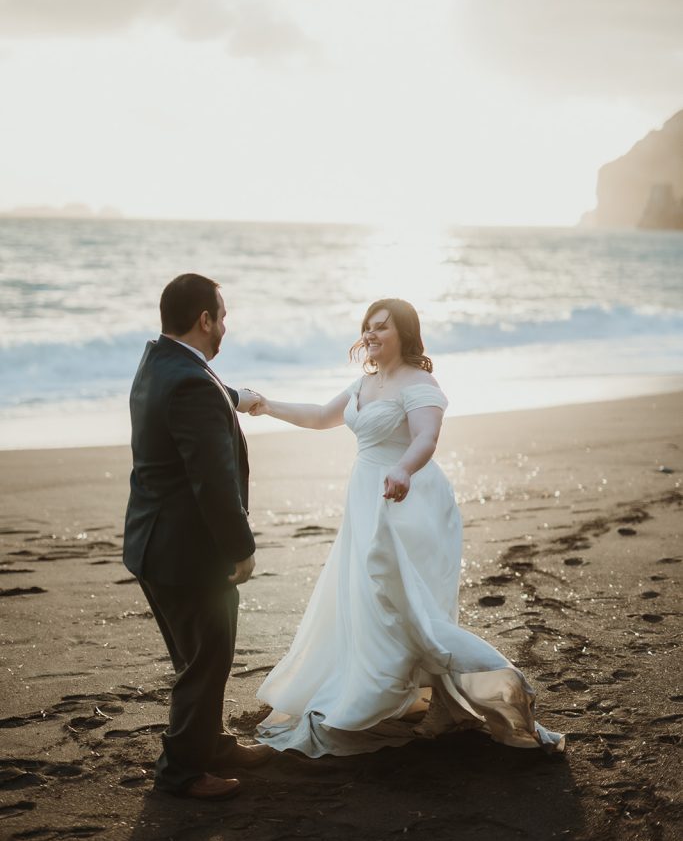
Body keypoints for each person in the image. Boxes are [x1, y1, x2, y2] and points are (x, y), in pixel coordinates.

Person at [248, 298, 564, 757]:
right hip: (367, 501)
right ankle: (418, 694)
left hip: (409, 501)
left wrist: (402, 470)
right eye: (367, 327)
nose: (371, 334)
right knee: (372, 601)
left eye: (382, 327)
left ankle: (469, 692)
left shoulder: (420, 383)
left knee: (409, 605)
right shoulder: (366, 382)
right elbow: (319, 417)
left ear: (405, 334)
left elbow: (426, 439)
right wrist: (265, 405)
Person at [123, 273, 274, 800]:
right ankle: (183, 771)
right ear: (204, 319)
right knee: (208, 657)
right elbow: (212, 481)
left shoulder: (157, 362)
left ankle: (209, 741)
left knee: (194, 656)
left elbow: (193, 395)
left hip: (150, 544)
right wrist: (241, 549)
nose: (225, 326)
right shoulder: (190, 382)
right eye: (222, 316)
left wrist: (236, 396)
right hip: (186, 552)